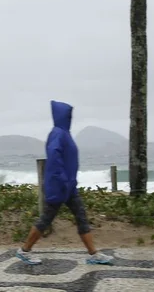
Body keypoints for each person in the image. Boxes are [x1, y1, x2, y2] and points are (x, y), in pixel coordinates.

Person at [16, 100, 113, 266]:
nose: (70, 117)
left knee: (81, 217)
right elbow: (54, 159)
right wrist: (62, 180)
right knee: (46, 219)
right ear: (62, 115)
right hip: (59, 187)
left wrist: (69, 182)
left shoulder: (64, 133)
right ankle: (24, 251)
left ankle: (94, 254)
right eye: (68, 114)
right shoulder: (58, 134)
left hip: (69, 187)